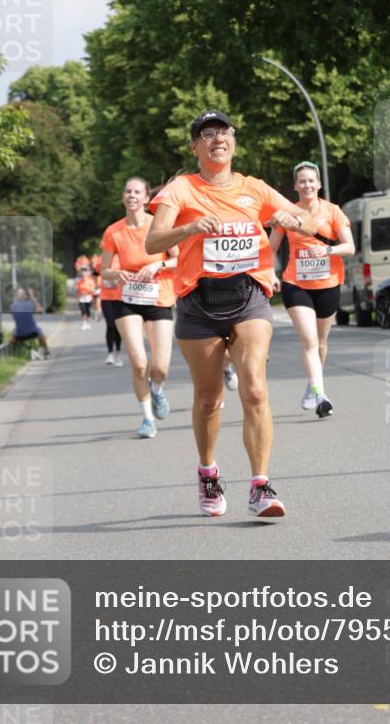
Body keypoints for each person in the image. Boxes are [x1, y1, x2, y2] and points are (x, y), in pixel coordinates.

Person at [146, 110, 318, 519]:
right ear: (195, 146)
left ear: (234, 142)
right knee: (208, 400)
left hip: (249, 296)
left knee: (255, 388)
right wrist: (188, 230)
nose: (217, 138)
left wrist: (290, 218)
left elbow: (309, 223)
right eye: (207, 134)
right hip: (198, 302)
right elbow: (154, 241)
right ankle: (208, 472)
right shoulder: (180, 190)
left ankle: (261, 486)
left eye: (224, 132)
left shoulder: (254, 188)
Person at [269, 160, 355, 417]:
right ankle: (320, 395)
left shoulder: (333, 211)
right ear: (296, 186)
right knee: (308, 340)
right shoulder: (288, 214)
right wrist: (270, 274)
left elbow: (349, 247)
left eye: (311, 181)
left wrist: (327, 250)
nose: (307, 185)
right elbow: (271, 249)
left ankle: (311, 383)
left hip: (328, 283)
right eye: (302, 181)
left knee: (320, 343)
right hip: (296, 284)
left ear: (318, 184)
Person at [101, 177, 178, 440]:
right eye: (127, 191)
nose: (131, 195)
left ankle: (157, 389)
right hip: (127, 300)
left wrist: (158, 266)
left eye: (137, 192)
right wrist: (117, 273)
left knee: (161, 368)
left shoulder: (160, 227)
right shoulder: (114, 231)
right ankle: (147, 419)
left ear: (146, 198)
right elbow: (104, 271)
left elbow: (180, 259)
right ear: (123, 197)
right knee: (139, 363)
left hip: (159, 298)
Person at [9, 288, 50, 357]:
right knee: (41, 334)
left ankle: (14, 354)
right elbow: (40, 311)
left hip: (19, 335)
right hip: (33, 332)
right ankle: (46, 351)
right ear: (25, 296)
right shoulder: (30, 304)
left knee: (14, 333)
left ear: (16, 296)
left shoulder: (12, 306)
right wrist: (32, 297)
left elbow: (14, 318)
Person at [100, 253, 123, 366]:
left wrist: (117, 280)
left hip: (119, 297)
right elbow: (97, 273)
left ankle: (118, 352)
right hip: (106, 297)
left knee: (118, 326)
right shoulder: (103, 258)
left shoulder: (122, 258)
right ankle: (110, 353)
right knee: (110, 325)